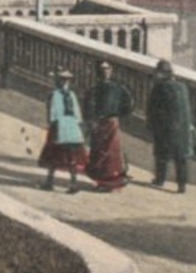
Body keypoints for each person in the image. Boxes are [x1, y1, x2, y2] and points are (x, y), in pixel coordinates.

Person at [147, 58, 195, 192]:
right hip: (182, 129)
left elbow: (153, 109)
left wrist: (151, 125)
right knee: (181, 158)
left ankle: (160, 180)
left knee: (162, 155)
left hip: (166, 128)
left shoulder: (159, 88)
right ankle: (182, 185)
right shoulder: (182, 87)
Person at [85, 60, 133, 191]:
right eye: (102, 70)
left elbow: (129, 104)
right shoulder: (94, 90)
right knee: (99, 153)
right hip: (99, 124)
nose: (105, 72)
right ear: (98, 73)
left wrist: (118, 115)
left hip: (112, 123)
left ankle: (111, 182)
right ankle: (101, 182)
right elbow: (88, 107)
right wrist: (91, 122)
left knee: (112, 153)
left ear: (111, 71)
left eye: (107, 69)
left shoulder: (118, 88)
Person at [38, 68, 88, 192]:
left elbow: (72, 112)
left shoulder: (65, 95)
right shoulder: (62, 95)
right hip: (64, 126)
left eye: (65, 80)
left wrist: (76, 125)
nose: (64, 82)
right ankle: (53, 182)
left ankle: (71, 184)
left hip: (65, 126)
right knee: (60, 156)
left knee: (65, 156)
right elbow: (55, 111)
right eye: (62, 80)